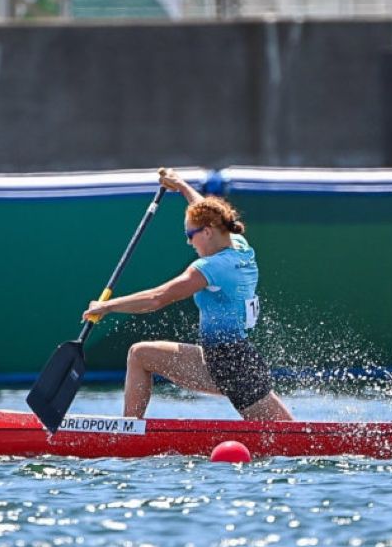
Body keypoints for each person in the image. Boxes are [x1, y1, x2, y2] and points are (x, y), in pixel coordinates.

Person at [82, 168, 294, 421]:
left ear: (207, 232)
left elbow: (157, 298)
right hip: (229, 359)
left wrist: (108, 306)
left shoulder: (211, 268)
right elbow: (206, 209)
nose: (188, 242)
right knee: (140, 354)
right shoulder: (239, 244)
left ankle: (128, 435)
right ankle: (129, 429)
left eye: (189, 235)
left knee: (284, 439)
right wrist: (181, 186)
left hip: (231, 366)